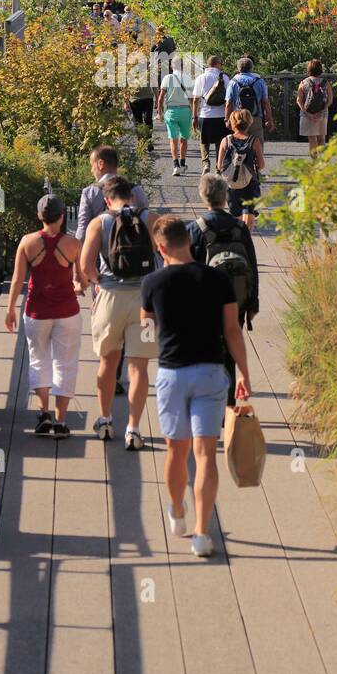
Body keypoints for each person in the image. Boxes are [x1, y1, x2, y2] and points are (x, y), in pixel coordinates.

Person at [141, 215, 251, 558]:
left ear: (161, 248)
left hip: (172, 374)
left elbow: (147, 336)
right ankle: (202, 534)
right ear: (189, 242)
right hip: (210, 372)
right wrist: (244, 373)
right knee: (206, 455)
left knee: (176, 450)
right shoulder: (217, 280)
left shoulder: (152, 284)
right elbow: (232, 330)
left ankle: (176, 510)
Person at [80, 177, 158, 449]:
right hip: (145, 304)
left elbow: (85, 264)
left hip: (110, 299)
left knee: (107, 363)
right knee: (140, 367)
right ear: (132, 197)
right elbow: (170, 251)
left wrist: (97, 283)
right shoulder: (150, 218)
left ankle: (105, 420)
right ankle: (134, 429)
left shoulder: (98, 223)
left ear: (106, 199)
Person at [5, 194, 85, 438]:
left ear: (40, 217)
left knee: (39, 360)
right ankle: (61, 422)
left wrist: (10, 310)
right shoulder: (73, 245)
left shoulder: (27, 242)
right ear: (62, 217)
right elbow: (80, 281)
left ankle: (44, 414)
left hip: (36, 311)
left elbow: (18, 279)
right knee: (66, 363)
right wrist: (79, 285)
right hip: (68, 312)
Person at [76, 146, 149, 397]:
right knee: (138, 336)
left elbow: (82, 231)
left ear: (100, 164)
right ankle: (131, 366)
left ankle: (112, 376)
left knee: (108, 326)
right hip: (140, 277)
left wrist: (84, 275)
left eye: (91, 163)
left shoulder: (90, 192)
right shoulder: (135, 190)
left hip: (105, 273)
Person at [188, 174, 259, 404]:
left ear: (203, 196)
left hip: (202, 302)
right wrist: (252, 303)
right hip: (235, 299)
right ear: (226, 196)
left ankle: (207, 402)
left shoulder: (196, 229)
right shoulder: (240, 227)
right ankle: (228, 405)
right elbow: (252, 266)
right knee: (230, 351)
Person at [217, 108, 265, 231]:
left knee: (236, 216)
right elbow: (261, 165)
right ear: (249, 123)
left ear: (233, 123)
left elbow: (219, 166)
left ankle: (237, 240)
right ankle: (246, 239)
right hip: (249, 184)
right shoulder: (254, 141)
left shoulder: (225, 141)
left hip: (231, 185)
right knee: (248, 216)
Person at [191, 55, 230, 175]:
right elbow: (229, 99)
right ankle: (218, 168)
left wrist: (194, 116)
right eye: (221, 63)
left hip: (205, 115)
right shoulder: (224, 78)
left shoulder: (201, 78)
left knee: (204, 142)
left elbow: (195, 99)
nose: (222, 66)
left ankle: (206, 163)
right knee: (220, 143)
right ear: (216, 64)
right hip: (220, 115)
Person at [224, 56, 274, 148]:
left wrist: (227, 120)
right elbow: (265, 102)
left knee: (238, 145)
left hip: (237, 118)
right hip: (255, 117)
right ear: (251, 68)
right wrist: (269, 119)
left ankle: (240, 161)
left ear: (238, 68)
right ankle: (257, 161)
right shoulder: (259, 81)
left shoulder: (233, 82)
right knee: (257, 145)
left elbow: (228, 104)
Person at [156, 54, 192, 176]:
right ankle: (182, 163)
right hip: (185, 111)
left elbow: (161, 98)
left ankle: (175, 165)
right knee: (184, 138)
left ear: (172, 66)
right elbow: (192, 98)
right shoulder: (188, 78)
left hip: (171, 111)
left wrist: (159, 112)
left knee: (173, 139)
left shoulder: (167, 78)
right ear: (182, 66)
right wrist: (194, 114)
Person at [297, 58, 333, 153]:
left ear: (309, 69)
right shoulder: (326, 83)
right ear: (320, 69)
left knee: (312, 138)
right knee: (321, 137)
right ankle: (321, 162)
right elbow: (330, 100)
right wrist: (322, 110)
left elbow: (299, 100)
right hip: (322, 114)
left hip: (307, 114)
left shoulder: (303, 83)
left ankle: (314, 161)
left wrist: (307, 113)